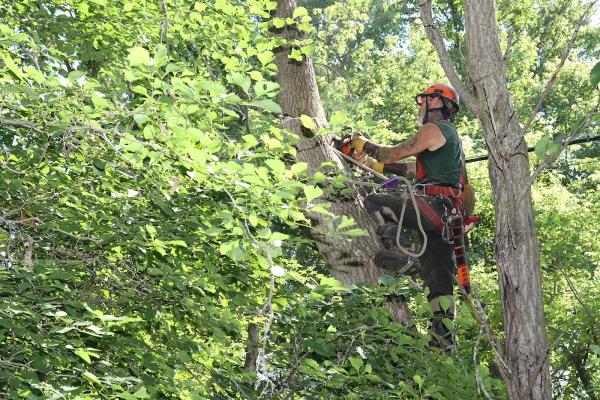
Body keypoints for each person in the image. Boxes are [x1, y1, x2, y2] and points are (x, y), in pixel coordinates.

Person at [349, 83, 470, 351]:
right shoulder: (449, 142)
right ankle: (443, 340)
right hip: (447, 218)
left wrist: (361, 143)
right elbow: (410, 168)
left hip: (434, 206)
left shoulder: (433, 129)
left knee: (376, 202)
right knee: (440, 282)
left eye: (423, 100)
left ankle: (405, 255)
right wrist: (371, 166)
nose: (420, 106)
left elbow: (390, 153)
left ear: (436, 102)